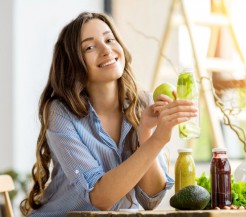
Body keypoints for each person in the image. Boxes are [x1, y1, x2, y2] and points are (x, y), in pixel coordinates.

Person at [20, 12, 197, 217]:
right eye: (89, 47)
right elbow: (100, 197)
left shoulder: (144, 105)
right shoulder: (60, 113)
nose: (106, 50)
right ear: (73, 63)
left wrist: (146, 133)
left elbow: (151, 199)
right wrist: (159, 139)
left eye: (109, 39)